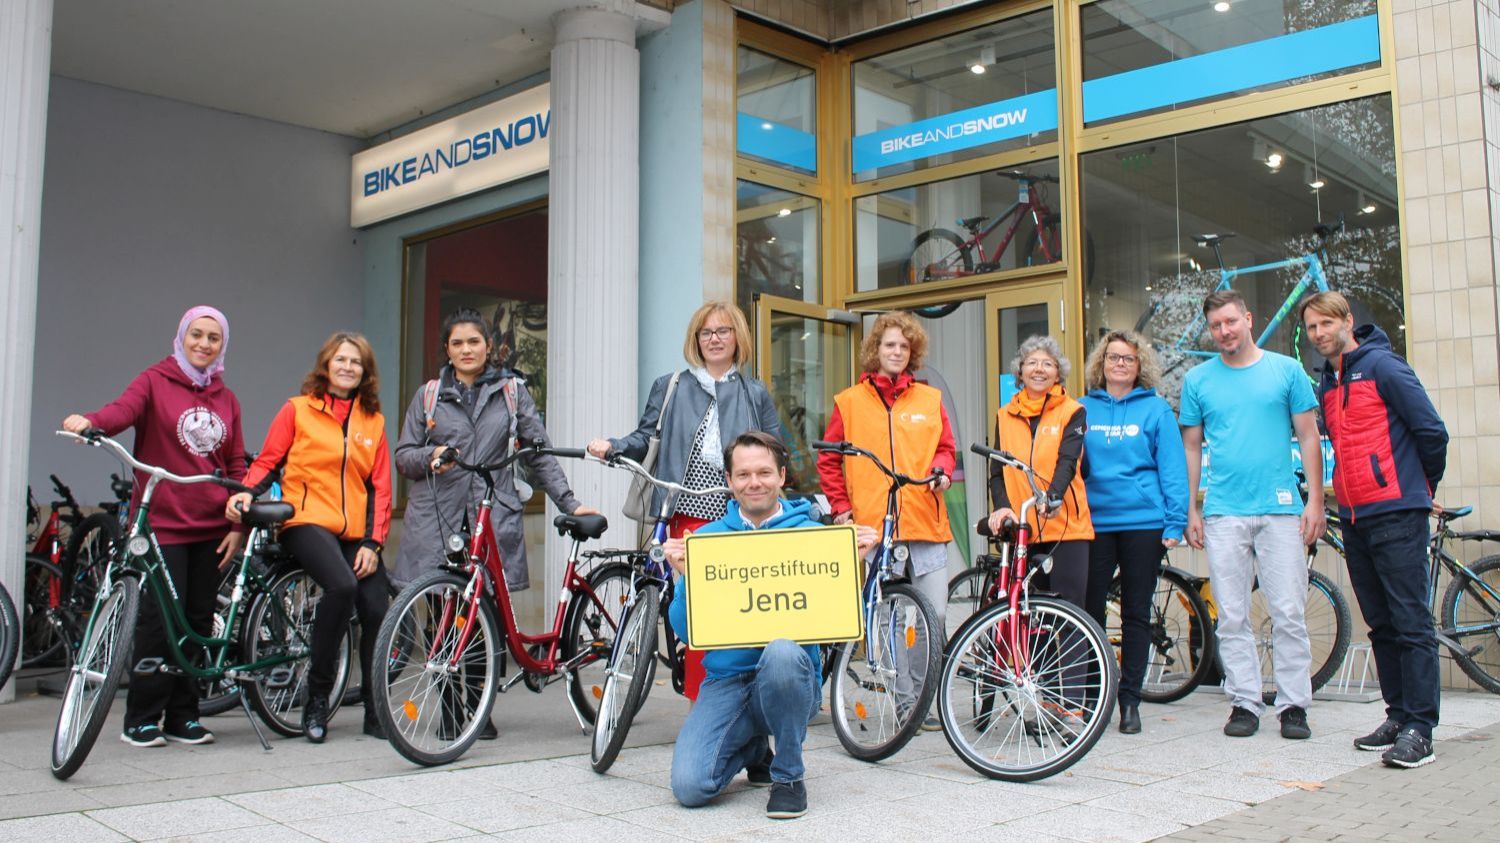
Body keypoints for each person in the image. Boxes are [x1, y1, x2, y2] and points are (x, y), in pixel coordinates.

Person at [393, 308, 595, 738]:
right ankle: (451, 712)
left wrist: (570, 503)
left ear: (488, 346)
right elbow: (403, 455)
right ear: (446, 350)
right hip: (438, 515)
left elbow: (538, 453)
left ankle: (477, 707)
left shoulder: (512, 392)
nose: (466, 350)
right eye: (457, 343)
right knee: (443, 611)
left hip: (490, 512)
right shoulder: (429, 395)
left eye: (474, 342)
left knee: (487, 612)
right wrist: (430, 456)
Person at [665, 431, 876, 819]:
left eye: (763, 472)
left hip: (789, 677)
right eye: (743, 474)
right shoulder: (707, 541)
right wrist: (683, 579)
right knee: (690, 786)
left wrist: (856, 567)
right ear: (729, 481)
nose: (754, 482)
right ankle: (754, 747)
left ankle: (788, 776)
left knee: (780, 651)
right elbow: (685, 631)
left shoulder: (816, 537)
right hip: (728, 681)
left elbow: (849, 620)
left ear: (781, 476)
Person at [63, 306, 245, 748]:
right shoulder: (154, 380)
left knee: (199, 620)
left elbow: (236, 461)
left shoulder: (227, 398)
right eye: (196, 335)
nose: (203, 344)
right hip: (163, 522)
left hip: (213, 525)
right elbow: (122, 411)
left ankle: (184, 716)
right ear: (181, 337)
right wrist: (90, 422)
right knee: (156, 621)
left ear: (223, 346)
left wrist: (238, 519)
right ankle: (141, 717)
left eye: (213, 338)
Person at [587, 301, 780, 701]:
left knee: (741, 610)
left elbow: (776, 453)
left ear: (737, 338)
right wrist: (614, 446)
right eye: (706, 333)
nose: (714, 339)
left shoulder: (754, 391)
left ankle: (744, 696)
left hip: (738, 515)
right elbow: (645, 438)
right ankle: (702, 701)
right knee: (700, 610)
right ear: (695, 340)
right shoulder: (671, 385)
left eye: (723, 331)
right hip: (685, 512)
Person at [1302, 291, 1448, 768]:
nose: (1319, 333)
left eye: (1326, 323)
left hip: (1397, 512)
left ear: (1347, 320)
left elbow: (1431, 432)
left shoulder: (1384, 367)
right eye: (1311, 328)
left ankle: (1420, 728)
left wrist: (1418, 488)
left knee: (1411, 621)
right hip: (1356, 517)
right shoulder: (1329, 381)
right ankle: (1398, 714)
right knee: (1381, 623)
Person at [227, 332, 392, 743]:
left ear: (365, 372)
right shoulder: (297, 410)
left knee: (375, 604)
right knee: (341, 585)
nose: (348, 367)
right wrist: (246, 491)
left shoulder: (374, 421)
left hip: (353, 530)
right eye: (341, 360)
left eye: (356, 362)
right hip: (305, 521)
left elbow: (380, 489)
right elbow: (269, 460)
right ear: (326, 364)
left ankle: (376, 710)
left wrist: (373, 544)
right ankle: (316, 699)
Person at [1181, 289, 1326, 740]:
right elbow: (1190, 446)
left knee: (1287, 611)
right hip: (1224, 511)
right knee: (1233, 615)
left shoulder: (1286, 370)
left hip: (1281, 509)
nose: (1224, 331)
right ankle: (1244, 702)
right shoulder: (1198, 380)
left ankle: (1293, 706)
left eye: (1231, 321)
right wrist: (1192, 509)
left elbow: (1308, 437)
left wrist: (1316, 501)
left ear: (1248, 318)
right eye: (1216, 326)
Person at [817, 310, 954, 730]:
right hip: (877, 527)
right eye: (888, 345)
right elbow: (829, 458)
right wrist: (842, 509)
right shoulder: (850, 401)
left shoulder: (929, 400)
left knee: (934, 617)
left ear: (912, 353)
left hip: (926, 523)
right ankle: (906, 701)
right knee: (889, 617)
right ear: (875, 351)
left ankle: (923, 695)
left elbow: (946, 448)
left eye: (903, 346)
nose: (896, 351)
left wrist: (943, 470)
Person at [1080, 330, 1189, 735]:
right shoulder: (1082, 408)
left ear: (1139, 365)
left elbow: (1173, 468)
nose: (1120, 364)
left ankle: (1130, 700)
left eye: (1128, 358)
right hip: (1094, 523)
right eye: (1113, 357)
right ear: (1101, 363)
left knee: (1136, 614)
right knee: (1089, 612)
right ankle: (1095, 696)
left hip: (1143, 522)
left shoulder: (1156, 410)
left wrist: (1175, 521)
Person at [987, 335, 1093, 611]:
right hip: (1024, 530)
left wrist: (1053, 496)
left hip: (1066, 529)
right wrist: (1002, 509)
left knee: (1069, 615)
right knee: (1032, 618)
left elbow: (1068, 461)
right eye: (1032, 362)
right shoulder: (1004, 415)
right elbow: (997, 472)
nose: (1039, 369)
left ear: (1058, 373)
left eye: (1048, 363)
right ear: (1020, 371)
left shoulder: (1073, 411)